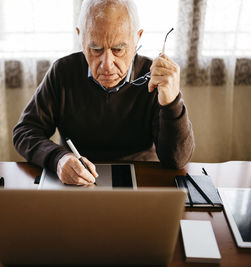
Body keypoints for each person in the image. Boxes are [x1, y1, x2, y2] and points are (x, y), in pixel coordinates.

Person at [13, 0, 195, 185]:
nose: (107, 65)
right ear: (81, 38)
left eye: (118, 49)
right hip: (76, 182)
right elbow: (25, 131)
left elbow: (176, 161)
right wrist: (58, 159)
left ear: (136, 39)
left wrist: (171, 103)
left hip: (141, 180)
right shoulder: (63, 72)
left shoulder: (154, 78)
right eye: (96, 49)